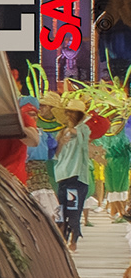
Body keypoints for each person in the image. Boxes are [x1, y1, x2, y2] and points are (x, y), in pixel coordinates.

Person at [45, 95, 92, 250]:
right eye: (68, 112)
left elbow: (83, 140)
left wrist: (71, 131)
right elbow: (56, 155)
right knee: (61, 210)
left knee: (73, 210)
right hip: (62, 176)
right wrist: (60, 141)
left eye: (73, 112)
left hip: (76, 177)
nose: (70, 115)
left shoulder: (83, 129)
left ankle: (74, 239)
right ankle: (62, 238)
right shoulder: (62, 133)